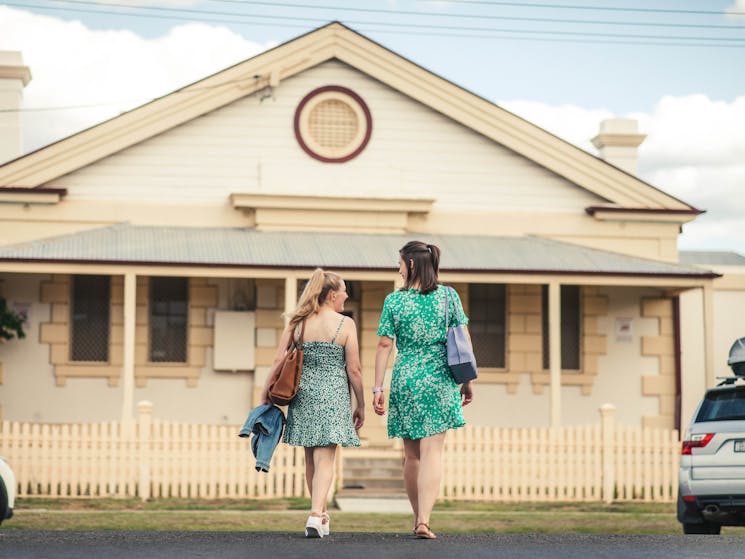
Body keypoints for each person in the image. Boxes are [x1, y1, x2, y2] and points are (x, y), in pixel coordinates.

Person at [373, 241, 474, 540]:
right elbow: (463, 338)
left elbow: (384, 344)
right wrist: (467, 380)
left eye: (400, 263)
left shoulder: (394, 301)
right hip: (440, 379)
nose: (398, 267)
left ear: (412, 264)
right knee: (433, 452)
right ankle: (425, 521)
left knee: (412, 455)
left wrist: (378, 386)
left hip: (406, 380)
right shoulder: (449, 297)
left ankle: (417, 516)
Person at [260, 268, 364, 538]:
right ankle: (316, 515)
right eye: (343, 291)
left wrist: (265, 391)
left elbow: (278, 359)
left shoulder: (299, 322)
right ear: (332, 295)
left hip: (303, 394)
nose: (346, 296)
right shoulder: (345, 324)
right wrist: (361, 403)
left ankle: (321, 513)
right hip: (332, 396)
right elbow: (353, 369)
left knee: (311, 458)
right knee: (325, 459)